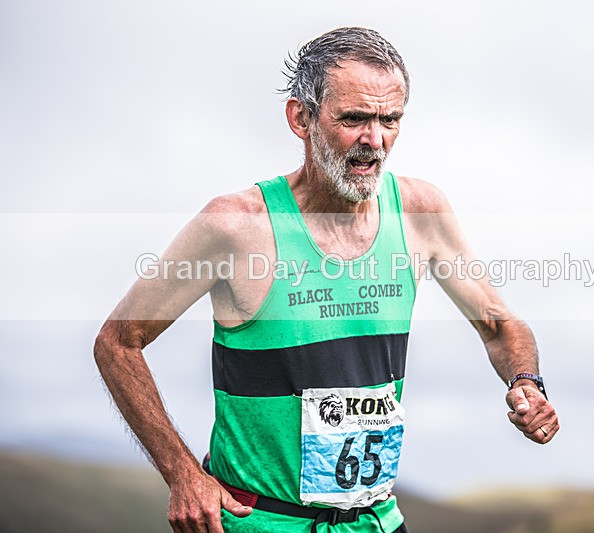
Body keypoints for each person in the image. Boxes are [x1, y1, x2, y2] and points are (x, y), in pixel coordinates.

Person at [94, 26, 559, 533]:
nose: (374, 141)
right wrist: (182, 474)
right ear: (301, 118)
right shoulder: (235, 226)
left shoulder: (421, 212)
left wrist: (525, 382)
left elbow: (498, 325)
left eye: (390, 119)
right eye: (354, 118)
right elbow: (118, 342)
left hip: (376, 521)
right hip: (261, 522)